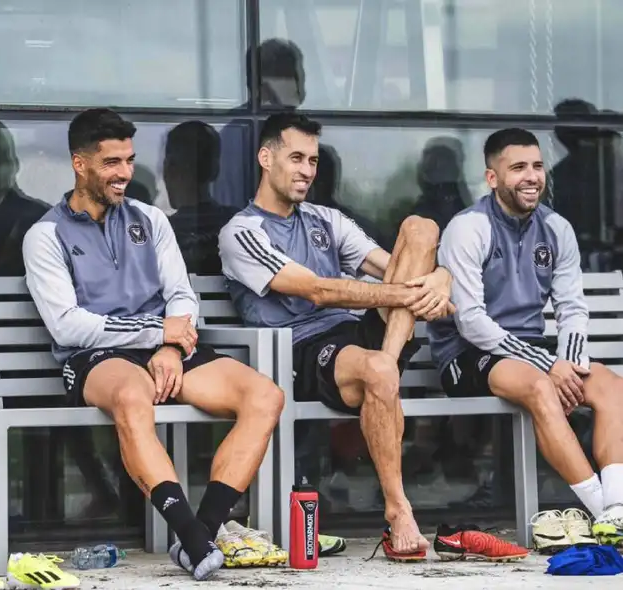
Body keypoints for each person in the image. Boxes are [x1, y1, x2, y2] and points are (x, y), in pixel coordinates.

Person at [22, 108, 285, 581]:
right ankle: (190, 532)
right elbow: (69, 327)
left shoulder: (149, 219)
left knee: (265, 396)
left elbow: (181, 295)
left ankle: (198, 535)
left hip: (163, 349)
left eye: (129, 160)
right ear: (79, 164)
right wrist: (156, 333)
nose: (125, 173)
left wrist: (169, 347)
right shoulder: (45, 235)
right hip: (97, 357)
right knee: (131, 396)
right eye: (111, 163)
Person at [218, 112, 455, 561]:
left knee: (421, 229)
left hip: (359, 340)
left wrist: (441, 276)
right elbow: (317, 290)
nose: (307, 169)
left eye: (312, 160)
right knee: (381, 357)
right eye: (295, 158)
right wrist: (417, 292)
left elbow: (400, 271)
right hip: (299, 349)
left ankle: (383, 371)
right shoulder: (241, 232)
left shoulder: (326, 219)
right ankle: (398, 508)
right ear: (266, 158)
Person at [428, 127, 623, 550]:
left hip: (531, 353)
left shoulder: (557, 229)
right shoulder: (469, 227)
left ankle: (618, 510)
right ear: (493, 178)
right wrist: (549, 366)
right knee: (539, 385)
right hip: (468, 353)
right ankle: (599, 509)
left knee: (609, 384)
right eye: (518, 167)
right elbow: (472, 322)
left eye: (537, 166)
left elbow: (572, 308)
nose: (531, 176)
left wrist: (567, 363)